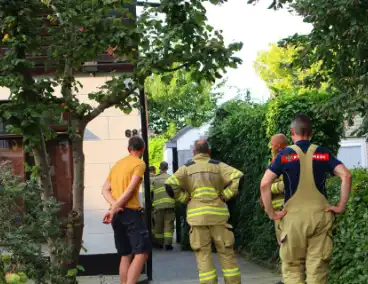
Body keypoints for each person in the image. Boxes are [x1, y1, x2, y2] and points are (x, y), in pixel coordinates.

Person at [260, 113, 352, 284]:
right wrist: (340, 206)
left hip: (292, 220)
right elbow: (346, 175)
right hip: (320, 217)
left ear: (291, 132)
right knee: (317, 272)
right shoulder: (323, 154)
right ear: (311, 132)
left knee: (293, 269)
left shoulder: (285, 155)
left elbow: (264, 185)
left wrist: (271, 213)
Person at [165, 140, 244, 284]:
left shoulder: (187, 168)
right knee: (226, 254)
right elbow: (239, 177)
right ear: (209, 151)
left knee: (203, 256)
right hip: (218, 216)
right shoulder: (218, 165)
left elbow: (170, 184)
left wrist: (185, 198)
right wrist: (225, 195)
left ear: (194, 152)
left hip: (197, 218)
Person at [101, 136, 151, 284]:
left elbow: (104, 190)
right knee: (142, 253)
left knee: (126, 254)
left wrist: (114, 207)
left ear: (128, 149)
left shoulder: (117, 165)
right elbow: (130, 190)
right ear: (142, 149)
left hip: (117, 216)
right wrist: (116, 207)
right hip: (130, 214)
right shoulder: (139, 163)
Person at [150, 161, 175, 250]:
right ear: (167, 168)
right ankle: (168, 244)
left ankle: (159, 244)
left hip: (158, 206)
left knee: (158, 225)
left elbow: (151, 192)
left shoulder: (154, 179)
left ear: (160, 168)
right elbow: (175, 191)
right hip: (170, 205)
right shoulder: (171, 178)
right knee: (169, 224)